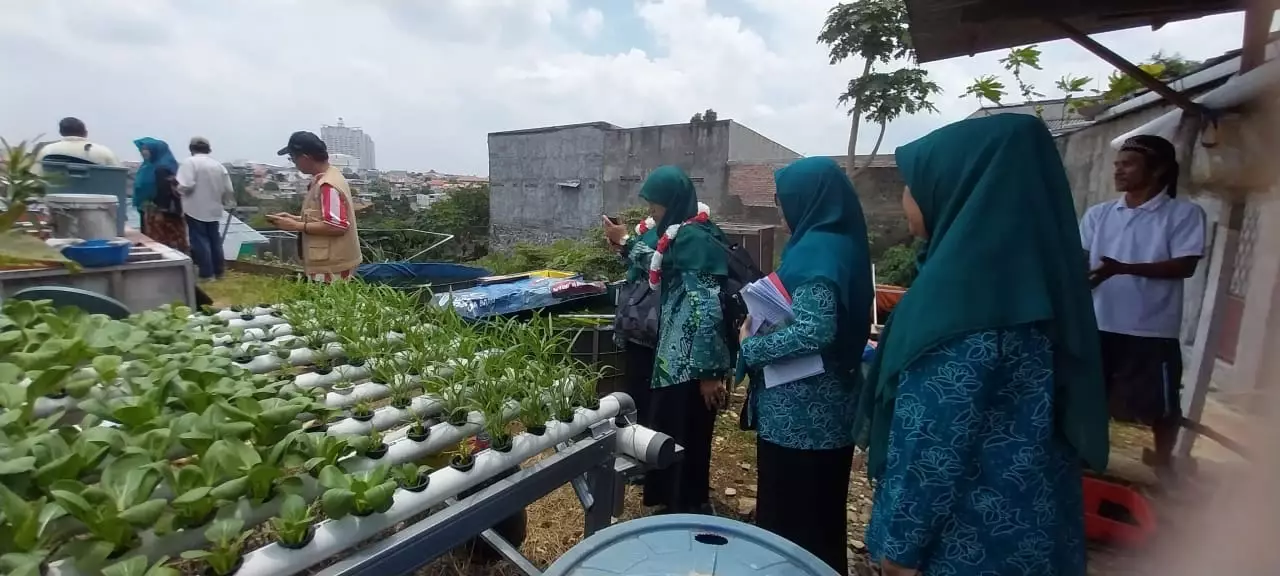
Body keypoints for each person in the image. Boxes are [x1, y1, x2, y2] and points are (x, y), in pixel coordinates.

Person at [857, 114, 1110, 576]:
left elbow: (933, 440)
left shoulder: (958, 301)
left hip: (961, 542)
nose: (904, 198)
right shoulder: (1038, 282)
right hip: (1031, 520)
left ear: (959, 186)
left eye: (912, 184)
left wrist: (900, 551)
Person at [735, 156, 872, 575]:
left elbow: (814, 330)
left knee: (794, 517)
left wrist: (750, 345)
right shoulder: (836, 242)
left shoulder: (819, 251)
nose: (782, 211)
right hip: (824, 409)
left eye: (784, 201)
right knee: (819, 512)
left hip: (803, 415)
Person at [602, 166, 729, 515]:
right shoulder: (682, 236)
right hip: (674, 358)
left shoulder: (695, 240)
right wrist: (624, 243)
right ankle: (673, 501)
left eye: (656, 203)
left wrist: (707, 372)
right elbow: (660, 262)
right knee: (672, 428)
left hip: (690, 362)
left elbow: (707, 310)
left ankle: (687, 504)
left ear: (673, 201)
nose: (652, 210)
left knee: (686, 431)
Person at [1081, 134, 1206, 478]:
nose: (1118, 171)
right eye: (1117, 165)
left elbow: (1185, 266)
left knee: (1161, 404)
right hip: (1100, 320)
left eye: (1128, 164)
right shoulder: (1100, 214)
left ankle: (1164, 462)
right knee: (1092, 395)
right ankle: (1087, 455)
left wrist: (1121, 269)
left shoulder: (1182, 214)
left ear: (1158, 170)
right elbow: (1080, 260)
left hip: (1151, 325)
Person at [267, 131, 362, 282]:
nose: (294, 164)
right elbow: (325, 217)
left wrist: (297, 226)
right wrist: (294, 219)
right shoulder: (330, 175)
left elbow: (337, 226)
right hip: (332, 263)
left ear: (305, 158)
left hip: (331, 268)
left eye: (293, 159)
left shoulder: (327, 185)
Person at [177, 136, 234, 282]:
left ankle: (207, 274)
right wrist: (228, 202)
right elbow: (228, 189)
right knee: (215, 240)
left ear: (191, 149)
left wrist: (178, 190)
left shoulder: (189, 163)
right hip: (214, 209)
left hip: (195, 208)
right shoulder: (218, 165)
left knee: (200, 241)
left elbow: (186, 185)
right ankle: (219, 272)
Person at [133, 138, 189, 253]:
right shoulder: (147, 167)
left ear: (156, 151)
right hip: (149, 210)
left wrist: (160, 211)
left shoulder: (163, 168)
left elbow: (165, 191)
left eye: (146, 149)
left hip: (163, 213)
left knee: (164, 242)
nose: (143, 152)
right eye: (142, 149)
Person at [34, 117, 119, 174]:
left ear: (61, 132)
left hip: (55, 200)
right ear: (86, 133)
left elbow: (34, 178)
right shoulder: (105, 152)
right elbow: (118, 178)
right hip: (97, 200)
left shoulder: (47, 151)